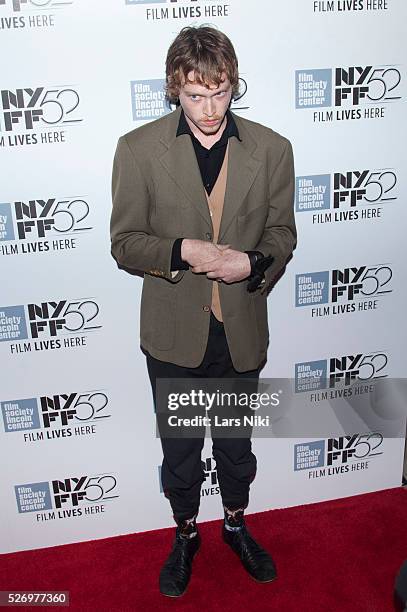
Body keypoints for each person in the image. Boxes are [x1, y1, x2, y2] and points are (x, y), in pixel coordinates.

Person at [110, 25, 296, 597]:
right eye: (195, 95)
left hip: (240, 328)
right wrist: (181, 251)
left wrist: (256, 263)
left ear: (234, 84)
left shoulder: (273, 148)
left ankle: (235, 523)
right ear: (174, 90)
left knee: (236, 448)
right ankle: (186, 533)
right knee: (183, 451)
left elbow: (283, 234)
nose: (210, 107)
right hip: (174, 334)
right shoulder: (138, 149)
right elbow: (124, 243)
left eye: (220, 92)